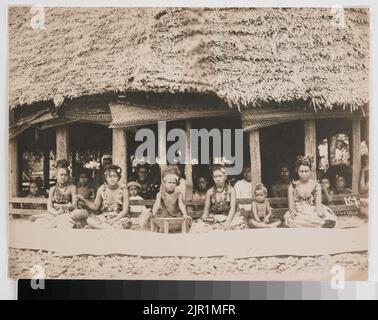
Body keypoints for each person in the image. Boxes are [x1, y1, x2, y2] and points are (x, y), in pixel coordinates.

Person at [30, 160, 86, 228]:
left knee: (79, 213)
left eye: (65, 175)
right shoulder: (52, 189)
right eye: (61, 175)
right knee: (39, 222)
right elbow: (49, 207)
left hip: (68, 212)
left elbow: (74, 205)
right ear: (57, 176)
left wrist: (62, 208)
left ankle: (51, 219)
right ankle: (55, 220)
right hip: (56, 213)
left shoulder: (72, 188)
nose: (63, 177)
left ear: (68, 176)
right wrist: (56, 213)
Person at [284, 155, 337, 228]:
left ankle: (317, 223)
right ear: (297, 171)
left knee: (328, 218)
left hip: (312, 210)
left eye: (306, 171)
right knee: (291, 220)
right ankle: (317, 224)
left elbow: (318, 205)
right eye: (301, 171)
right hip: (299, 212)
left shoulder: (316, 185)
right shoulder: (292, 186)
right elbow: (291, 207)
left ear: (310, 171)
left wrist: (319, 213)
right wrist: (293, 213)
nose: (304, 174)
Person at [190, 164, 246, 232]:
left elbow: (232, 208)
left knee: (239, 224)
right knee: (196, 227)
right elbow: (205, 212)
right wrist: (212, 223)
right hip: (214, 219)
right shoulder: (209, 192)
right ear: (213, 178)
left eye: (220, 176)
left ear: (225, 176)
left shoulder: (231, 190)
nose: (218, 179)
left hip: (229, 218)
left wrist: (227, 223)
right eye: (215, 176)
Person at [77, 164, 131, 230]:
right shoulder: (102, 189)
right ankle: (110, 228)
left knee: (126, 223)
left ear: (119, 178)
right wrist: (83, 200)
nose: (112, 179)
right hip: (105, 217)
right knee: (90, 220)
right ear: (106, 178)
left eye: (115, 176)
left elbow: (125, 210)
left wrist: (113, 220)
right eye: (110, 177)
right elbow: (95, 207)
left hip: (119, 217)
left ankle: (104, 228)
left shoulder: (123, 190)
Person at [150, 167, 189, 233]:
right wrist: (153, 213)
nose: (171, 185)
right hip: (164, 215)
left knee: (182, 222)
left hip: (175, 215)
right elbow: (157, 204)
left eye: (174, 183)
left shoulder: (179, 194)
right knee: (156, 219)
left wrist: (185, 214)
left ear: (176, 184)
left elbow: (181, 205)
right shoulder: (160, 194)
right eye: (169, 182)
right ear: (164, 183)